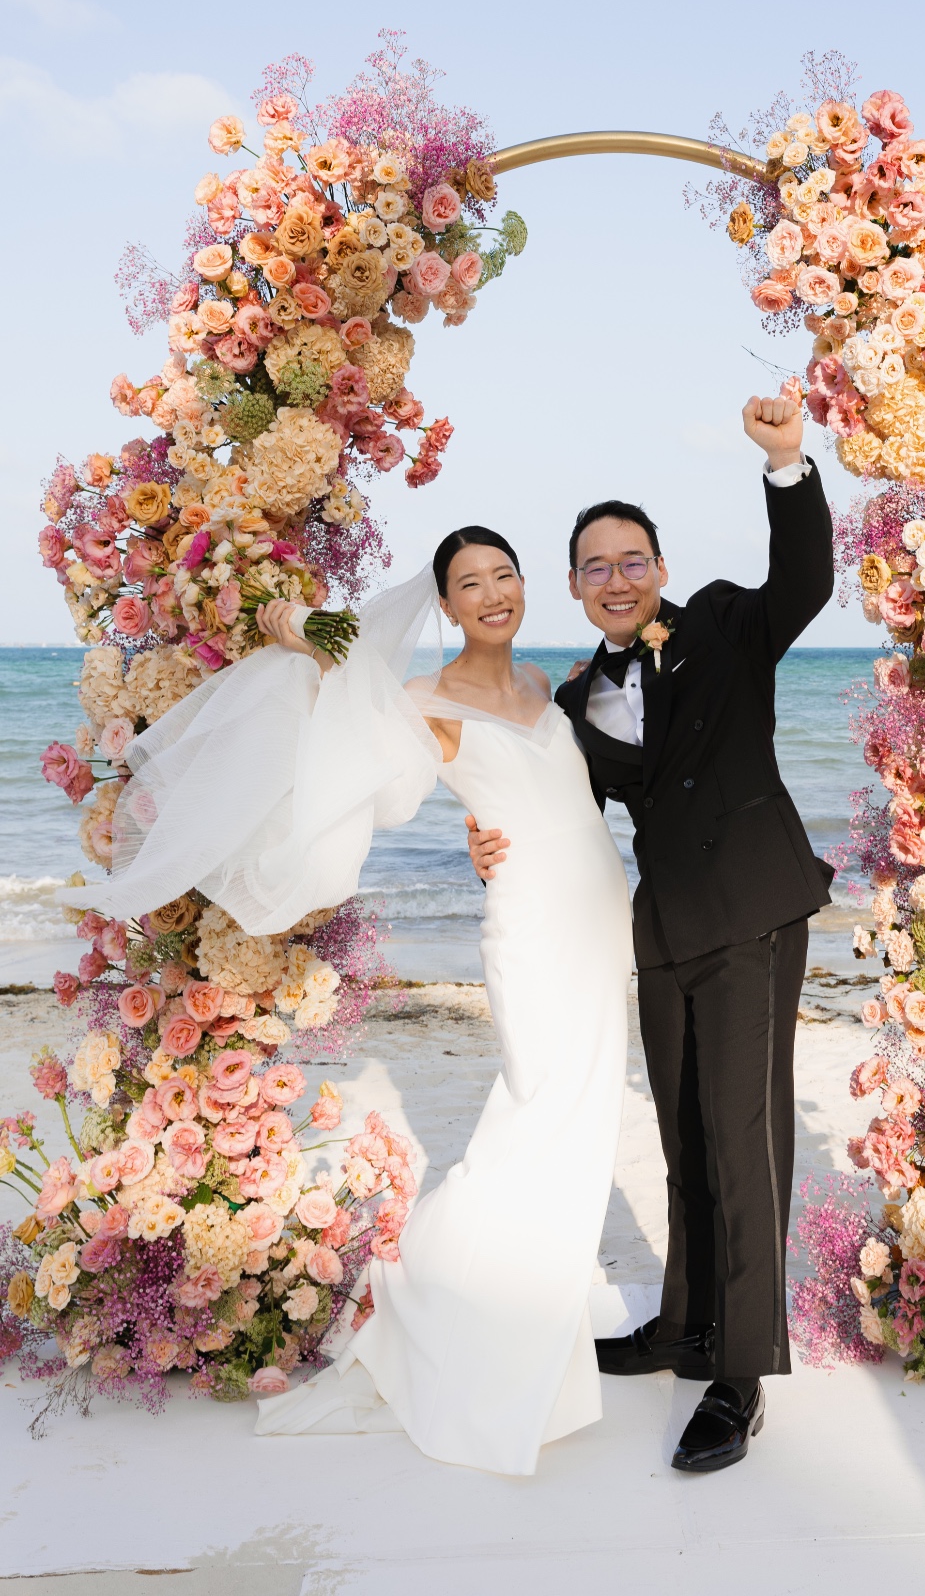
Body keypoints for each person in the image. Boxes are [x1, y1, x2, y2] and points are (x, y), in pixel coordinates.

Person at [80, 528, 633, 1478]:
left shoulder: (548, 687)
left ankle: (538, 1304)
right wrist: (303, 627)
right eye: (469, 585)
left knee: (584, 1126)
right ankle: (442, 1304)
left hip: (601, 928)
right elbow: (341, 726)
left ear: (523, 585)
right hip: (535, 935)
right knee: (534, 1117)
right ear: (447, 606)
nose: (492, 594)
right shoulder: (426, 700)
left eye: (503, 576)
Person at [469, 394, 834, 1473]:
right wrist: (488, 848)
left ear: (660, 567)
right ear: (574, 585)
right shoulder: (579, 696)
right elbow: (553, 810)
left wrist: (785, 464)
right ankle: (684, 1326)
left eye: (633, 559)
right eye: (596, 565)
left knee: (745, 1138)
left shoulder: (725, 622)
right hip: (663, 931)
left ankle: (742, 1374)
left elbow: (806, 580)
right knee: (683, 1140)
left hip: (754, 915)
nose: (617, 577)